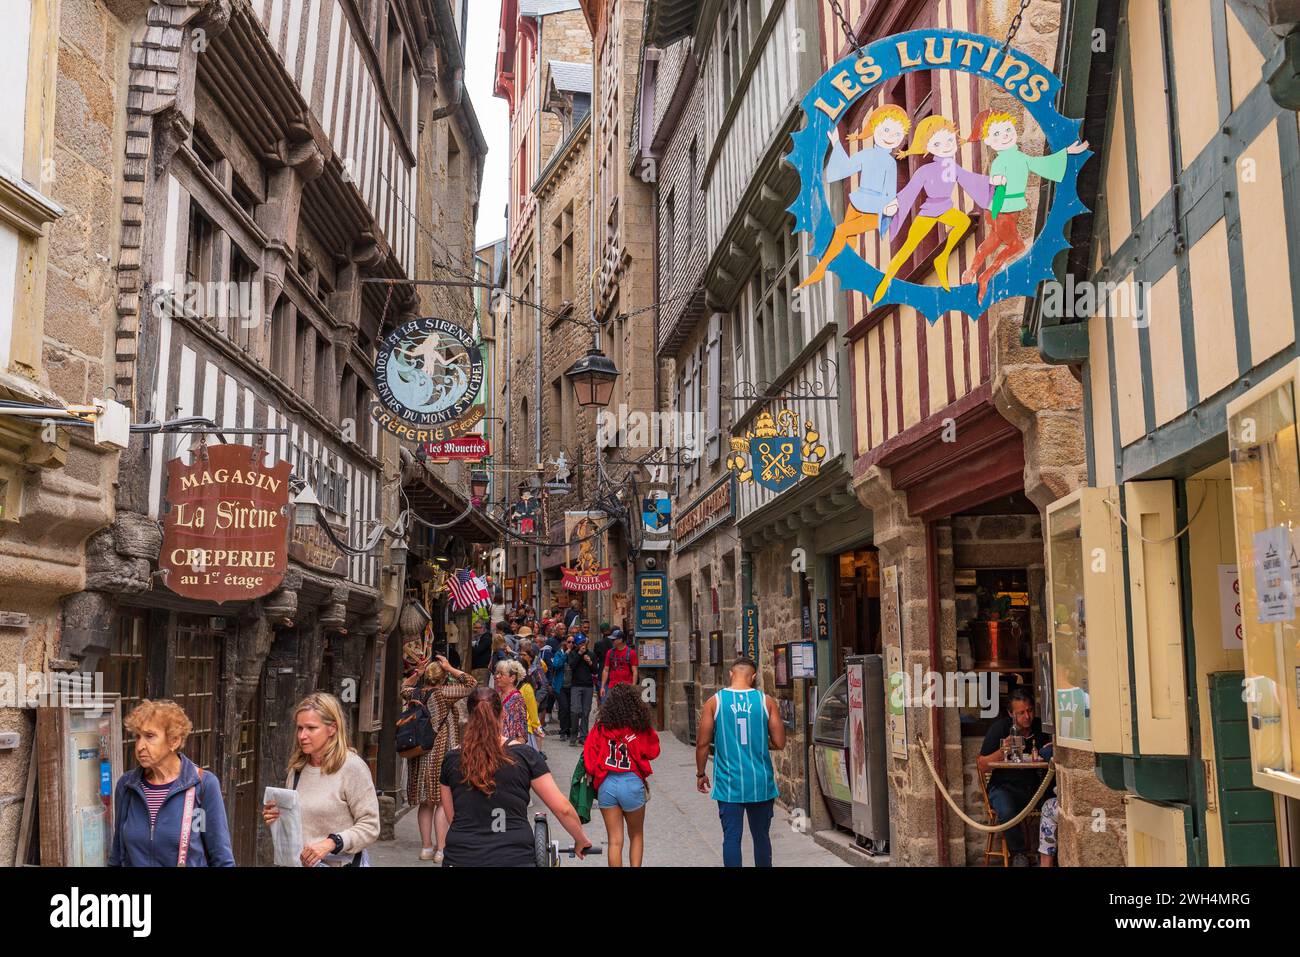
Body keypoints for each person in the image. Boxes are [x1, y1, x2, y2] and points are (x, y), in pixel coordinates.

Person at [439, 687, 592, 866]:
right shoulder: (525, 755)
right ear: (503, 714)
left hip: (461, 857)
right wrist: (580, 839)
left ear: (469, 717)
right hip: (514, 857)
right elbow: (562, 808)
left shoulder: (451, 759)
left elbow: (452, 816)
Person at [962, 109, 1088, 300]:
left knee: (993, 242)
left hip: (1008, 212)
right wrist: (997, 181)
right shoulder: (1000, 161)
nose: (1004, 136)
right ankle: (986, 276)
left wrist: (1068, 152)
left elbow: (1043, 164)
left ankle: (971, 271)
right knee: (1018, 246)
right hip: (1003, 210)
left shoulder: (1021, 157)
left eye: (1007, 130)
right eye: (996, 134)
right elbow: (994, 179)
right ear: (988, 141)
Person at [873, 114, 994, 302]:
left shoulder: (952, 167)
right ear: (927, 147)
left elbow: (971, 179)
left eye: (949, 139)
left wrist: (992, 182)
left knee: (963, 221)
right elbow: (909, 191)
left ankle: (942, 256)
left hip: (946, 209)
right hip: (928, 213)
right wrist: (894, 204)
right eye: (937, 144)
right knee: (908, 248)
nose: (946, 145)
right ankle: (884, 282)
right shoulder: (925, 170)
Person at [109, 699, 234, 866]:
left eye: (149, 736)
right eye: (137, 737)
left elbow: (221, 858)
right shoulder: (127, 786)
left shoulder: (202, 785)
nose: (140, 746)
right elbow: (117, 856)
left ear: (174, 741)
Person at [798, 104, 910, 288]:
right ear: (875, 128)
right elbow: (844, 169)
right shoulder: (866, 155)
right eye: (887, 129)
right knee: (850, 241)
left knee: (841, 231)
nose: (891, 137)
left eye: (897, 134)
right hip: (858, 203)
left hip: (875, 210)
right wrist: (835, 143)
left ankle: (820, 271)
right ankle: (844, 272)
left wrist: (889, 206)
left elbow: (890, 190)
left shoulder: (890, 163)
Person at [263, 692, 380, 867]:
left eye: (311, 728)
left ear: (332, 728)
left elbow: (370, 826)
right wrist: (277, 818)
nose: (302, 736)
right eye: (300, 728)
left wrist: (333, 842)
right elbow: (298, 824)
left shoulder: (352, 767)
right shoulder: (298, 769)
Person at [695, 658, 784, 867]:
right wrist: (761, 742)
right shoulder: (766, 701)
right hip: (760, 781)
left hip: (729, 783)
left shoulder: (714, 702)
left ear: (730, 674)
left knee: (732, 838)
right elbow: (779, 742)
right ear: (753, 677)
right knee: (761, 837)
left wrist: (701, 773)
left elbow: (702, 743)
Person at [401, 653, 477, 863]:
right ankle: (441, 849)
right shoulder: (445, 693)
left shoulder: (414, 692)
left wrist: (417, 672)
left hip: (418, 752)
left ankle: (426, 847)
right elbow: (471, 683)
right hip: (441, 750)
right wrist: (451, 667)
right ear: (443, 677)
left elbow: (402, 687)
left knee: (425, 803)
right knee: (443, 801)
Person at [584, 684, 660, 867]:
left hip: (607, 784)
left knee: (614, 841)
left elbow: (589, 758)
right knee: (636, 835)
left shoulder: (601, 727)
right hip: (632, 782)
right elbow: (653, 751)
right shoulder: (639, 726)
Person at [977, 688, 1053, 867]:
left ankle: (1052, 855)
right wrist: (1003, 750)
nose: (1027, 716)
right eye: (1021, 713)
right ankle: (1019, 855)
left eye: (1030, 710)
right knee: (1007, 808)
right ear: (1011, 714)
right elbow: (982, 764)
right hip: (1004, 786)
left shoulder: (1040, 728)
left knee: (1055, 804)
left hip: (1034, 788)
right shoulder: (1001, 729)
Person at [568, 635, 599, 745]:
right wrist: (579, 654)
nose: (583, 645)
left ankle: (583, 736)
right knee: (575, 711)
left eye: (584, 643)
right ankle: (573, 735)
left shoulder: (591, 654)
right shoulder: (572, 654)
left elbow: (595, 671)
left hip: (588, 686)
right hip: (576, 685)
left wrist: (590, 663)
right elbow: (571, 665)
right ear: (576, 645)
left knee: (586, 712)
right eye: (580, 643)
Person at [494, 658, 530, 744]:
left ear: (512, 678)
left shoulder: (517, 699)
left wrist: (516, 751)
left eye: (501, 674)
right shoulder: (498, 695)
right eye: (497, 673)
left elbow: (521, 732)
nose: (497, 676)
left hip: (509, 747)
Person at [600, 628, 638, 698]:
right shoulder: (610, 653)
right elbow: (606, 670)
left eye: (613, 640)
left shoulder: (631, 653)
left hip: (626, 687)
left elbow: (634, 671)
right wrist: (602, 687)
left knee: (625, 708)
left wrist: (633, 686)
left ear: (620, 640)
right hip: (613, 687)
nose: (612, 641)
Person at [552, 635, 573, 740]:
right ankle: (563, 731)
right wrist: (565, 655)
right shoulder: (559, 654)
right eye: (569, 642)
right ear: (565, 643)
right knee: (564, 708)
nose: (571, 644)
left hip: (571, 686)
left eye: (573, 642)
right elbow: (556, 665)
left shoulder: (574, 654)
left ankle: (569, 730)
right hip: (560, 687)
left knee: (570, 709)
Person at [470, 619, 493, 685]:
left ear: (483, 628)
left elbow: (478, 650)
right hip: (477, 668)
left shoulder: (486, 637)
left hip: (481, 669)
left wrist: (469, 646)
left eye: (478, 628)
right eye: (474, 628)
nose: (476, 630)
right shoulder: (480, 637)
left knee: (481, 689)